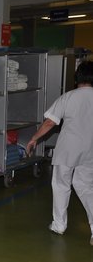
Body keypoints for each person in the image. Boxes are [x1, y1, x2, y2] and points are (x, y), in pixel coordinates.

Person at [26, 60, 93, 245]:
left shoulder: (68, 97)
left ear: (77, 77)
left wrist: (34, 139)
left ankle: (59, 225)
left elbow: (50, 123)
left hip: (68, 150)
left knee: (61, 185)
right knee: (86, 188)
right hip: (90, 150)